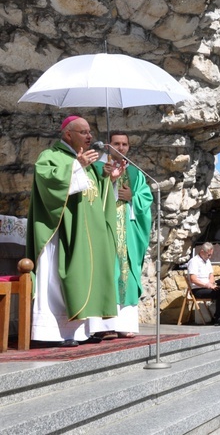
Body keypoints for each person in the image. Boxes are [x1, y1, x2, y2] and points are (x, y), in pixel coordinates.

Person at [27, 115, 118, 347]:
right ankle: (53, 332)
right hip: (61, 233)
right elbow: (49, 183)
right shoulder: (51, 157)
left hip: (87, 235)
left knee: (86, 276)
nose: (90, 136)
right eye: (83, 132)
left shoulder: (88, 162)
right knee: (57, 279)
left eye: (90, 132)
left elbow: (95, 196)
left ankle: (83, 330)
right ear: (68, 134)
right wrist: (77, 166)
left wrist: (107, 178)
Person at [90, 131, 153, 339]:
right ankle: (104, 325)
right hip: (104, 229)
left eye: (125, 144)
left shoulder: (136, 173)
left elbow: (147, 199)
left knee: (126, 273)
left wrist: (132, 197)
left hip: (128, 232)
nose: (121, 147)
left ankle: (124, 323)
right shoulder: (98, 168)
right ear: (108, 146)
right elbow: (90, 196)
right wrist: (108, 181)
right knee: (107, 271)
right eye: (116, 143)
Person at [187, 242, 220, 324]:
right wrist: (207, 285)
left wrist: (211, 283)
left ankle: (218, 316)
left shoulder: (207, 261)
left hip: (207, 287)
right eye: (208, 255)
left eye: (211, 255)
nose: (210, 257)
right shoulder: (194, 262)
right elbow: (193, 279)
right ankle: (218, 318)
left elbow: (211, 275)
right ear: (202, 251)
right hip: (198, 289)